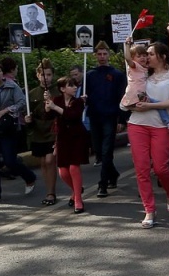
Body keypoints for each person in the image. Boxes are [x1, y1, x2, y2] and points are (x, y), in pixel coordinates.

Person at [122, 42, 169, 228]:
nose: (146, 57)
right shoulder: (140, 74)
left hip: (160, 127)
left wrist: (151, 106)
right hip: (137, 125)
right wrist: (130, 104)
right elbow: (127, 99)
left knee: (160, 168)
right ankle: (149, 209)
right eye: (145, 54)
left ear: (162, 57)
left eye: (150, 54)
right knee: (141, 169)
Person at [0, 61, 35, 204]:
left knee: (10, 160)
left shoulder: (11, 86)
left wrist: (5, 110)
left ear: (2, 73)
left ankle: (29, 177)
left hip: (7, 128)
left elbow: (22, 103)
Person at [86, 42, 127, 197]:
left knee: (106, 151)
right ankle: (113, 174)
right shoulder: (89, 75)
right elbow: (86, 95)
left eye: (104, 54)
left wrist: (122, 120)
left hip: (110, 116)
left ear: (109, 55)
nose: (102, 57)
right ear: (95, 56)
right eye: (99, 54)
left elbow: (122, 98)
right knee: (98, 150)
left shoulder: (116, 75)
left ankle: (102, 184)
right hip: (95, 116)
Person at [47, 76, 90, 213]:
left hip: (77, 137)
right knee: (63, 171)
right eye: (71, 85)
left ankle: (78, 199)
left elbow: (73, 116)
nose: (75, 87)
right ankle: (76, 190)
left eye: (75, 85)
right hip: (62, 138)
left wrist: (55, 107)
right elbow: (47, 116)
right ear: (62, 89)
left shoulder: (78, 101)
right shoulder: (57, 100)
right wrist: (48, 105)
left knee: (73, 167)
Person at [122, 38, 169, 130]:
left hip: (140, 95)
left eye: (145, 55)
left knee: (155, 104)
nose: (144, 58)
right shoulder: (134, 66)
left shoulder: (145, 68)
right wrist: (127, 45)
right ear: (133, 58)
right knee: (158, 103)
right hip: (136, 95)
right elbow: (127, 58)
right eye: (139, 56)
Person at [26, 59, 59, 205]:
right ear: (38, 75)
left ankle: (51, 193)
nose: (46, 77)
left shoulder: (58, 91)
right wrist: (27, 119)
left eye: (49, 74)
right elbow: (30, 114)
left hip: (53, 130)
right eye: (43, 74)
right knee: (43, 163)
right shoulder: (32, 93)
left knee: (50, 160)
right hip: (38, 132)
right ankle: (48, 190)